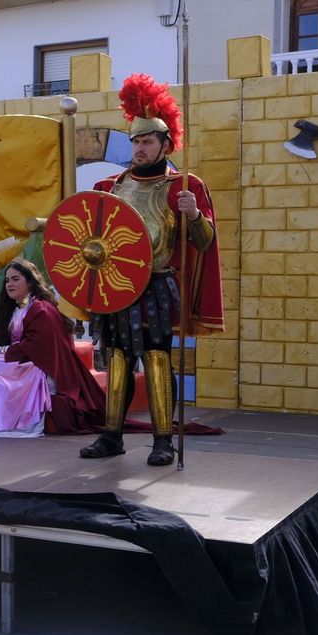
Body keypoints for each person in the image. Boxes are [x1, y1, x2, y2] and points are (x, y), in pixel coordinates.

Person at [79, 74, 224, 466]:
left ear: (165, 144)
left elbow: (205, 242)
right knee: (118, 358)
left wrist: (194, 215)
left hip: (157, 285)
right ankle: (112, 435)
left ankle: (163, 441)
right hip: (115, 287)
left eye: (147, 141)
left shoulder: (184, 186)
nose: (139, 148)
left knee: (157, 357)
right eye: (136, 141)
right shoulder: (111, 187)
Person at [0, 258, 104, 437]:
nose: (9, 284)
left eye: (15, 279)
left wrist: (2, 351)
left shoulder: (41, 309)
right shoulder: (17, 308)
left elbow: (37, 346)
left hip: (39, 367)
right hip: (23, 360)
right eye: (7, 280)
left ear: (30, 282)